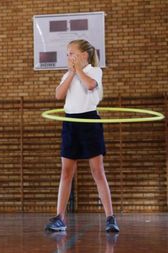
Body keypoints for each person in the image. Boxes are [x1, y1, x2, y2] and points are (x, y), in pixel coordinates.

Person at [45, 39, 119, 233]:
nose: (68, 57)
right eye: (68, 54)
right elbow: (59, 95)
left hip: (90, 122)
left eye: (72, 53)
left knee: (97, 171)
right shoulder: (68, 74)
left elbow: (91, 86)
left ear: (84, 55)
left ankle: (110, 217)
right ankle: (60, 217)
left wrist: (77, 70)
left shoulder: (95, 71)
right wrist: (71, 72)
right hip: (71, 123)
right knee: (66, 172)